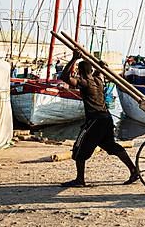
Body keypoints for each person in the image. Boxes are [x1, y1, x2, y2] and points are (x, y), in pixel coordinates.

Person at [59, 51, 138, 187]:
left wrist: (73, 59)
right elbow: (97, 72)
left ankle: (79, 180)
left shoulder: (84, 82)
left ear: (81, 71)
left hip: (95, 120)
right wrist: (99, 66)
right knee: (111, 146)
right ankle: (133, 170)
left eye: (78, 70)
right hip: (106, 119)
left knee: (79, 148)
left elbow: (64, 77)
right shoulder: (98, 81)